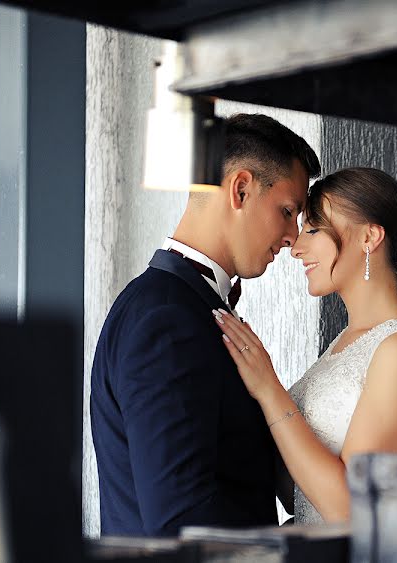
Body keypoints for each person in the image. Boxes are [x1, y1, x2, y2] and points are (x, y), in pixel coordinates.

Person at [214, 167, 397, 524]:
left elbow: (350, 508)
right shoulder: (344, 343)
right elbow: (299, 496)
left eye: (314, 229)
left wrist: (270, 390)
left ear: (369, 237)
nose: (297, 248)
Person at [90, 114, 321, 536]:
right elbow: (182, 520)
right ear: (241, 189)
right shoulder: (165, 321)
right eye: (288, 211)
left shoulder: (174, 305)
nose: (293, 237)